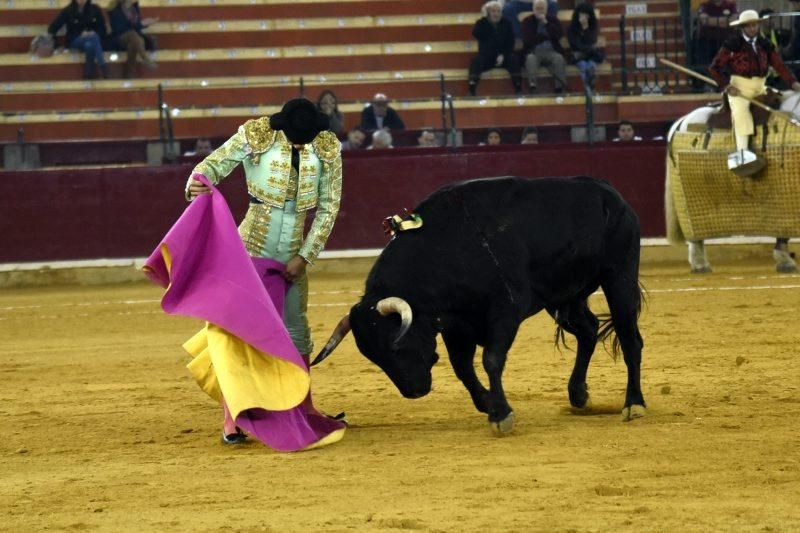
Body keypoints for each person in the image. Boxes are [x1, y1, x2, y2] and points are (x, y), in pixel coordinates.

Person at [184, 98, 343, 441]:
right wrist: (196, 182)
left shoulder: (327, 146)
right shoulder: (258, 135)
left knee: (297, 329)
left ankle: (305, 407)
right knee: (239, 330)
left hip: (295, 253)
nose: (303, 143)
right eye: (297, 137)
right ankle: (233, 416)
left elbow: (329, 209)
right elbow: (211, 167)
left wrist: (304, 257)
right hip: (250, 249)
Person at [709, 9, 800, 174]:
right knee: (741, 112)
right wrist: (726, 86)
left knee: (785, 99)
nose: (753, 29)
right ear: (742, 27)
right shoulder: (732, 44)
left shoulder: (764, 45)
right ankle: (742, 154)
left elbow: (779, 66)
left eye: (755, 25)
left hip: (761, 87)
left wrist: (792, 82)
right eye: (749, 26)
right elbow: (714, 68)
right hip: (739, 87)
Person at [468, 1, 522, 97]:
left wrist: (503, 55)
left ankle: (518, 89)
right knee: (476, 60)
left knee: (514, 59)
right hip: (487, 57)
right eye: (493, 11)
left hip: (503, 57)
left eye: (498, 11)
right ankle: (471, 89)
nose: (496, 14)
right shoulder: (482, 23)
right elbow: (476, 34)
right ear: (488, 12)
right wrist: (484, 18)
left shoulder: (507, 23)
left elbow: (511, 43)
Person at [47, 0, 109, 79]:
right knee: (92, 38)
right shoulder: (68, 10)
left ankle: (88, 74)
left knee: (89, 45)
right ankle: (103, 65)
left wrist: (92, 33)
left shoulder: (95, 9)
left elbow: (102, 29)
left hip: (93, 41)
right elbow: (52, 29)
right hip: (74, 41)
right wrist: (57, 45)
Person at [521, 0, 568, 94]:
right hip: (534, 51)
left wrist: (546, 23)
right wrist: (543, 37)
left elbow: (558, 35)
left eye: (542, 8)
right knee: (530, 59)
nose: (540, 11)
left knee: (559, 58)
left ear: (546, 9)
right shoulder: (527, 21)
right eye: (537, 8)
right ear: (533, 9)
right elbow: (528, 40)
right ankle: (533, 87)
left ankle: (560, 87)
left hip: (551, 51)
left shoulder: (553, 20)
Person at [693, 0, 738, 91]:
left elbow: (734, 20)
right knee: (706, 66)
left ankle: (726, 86)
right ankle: (707, 86)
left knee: (727, 66)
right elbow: (704, 20)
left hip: (726, 43)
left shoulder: (731, 5)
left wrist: (714, 21)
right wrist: (725, 21)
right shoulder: (704, 6)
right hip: (707, 43)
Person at [106, 0, 158, 78]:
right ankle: (145, 58)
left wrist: (144, 24)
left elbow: (137, 28)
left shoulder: (134, 9)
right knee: (133, 35)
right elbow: (119, 29)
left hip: (133, 39)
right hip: (118, 39)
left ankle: (129, 74)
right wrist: (141, 24)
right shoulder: (115, 10)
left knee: (134, 42)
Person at [567, 3, 603, 91]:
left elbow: (592, 40)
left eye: (586, 15)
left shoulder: (593, 27)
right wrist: (589, 48)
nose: (584, 17)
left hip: (591, 56)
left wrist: (585, 27)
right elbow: (575, 44)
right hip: (579, 56)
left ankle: (589, 87)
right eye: (582, 14)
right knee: (583, 65)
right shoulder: (571, 28)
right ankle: (589, 87)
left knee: (590, 65)